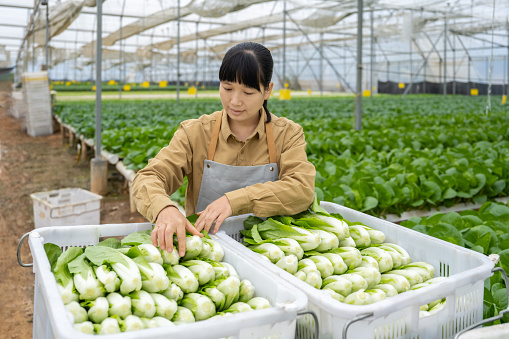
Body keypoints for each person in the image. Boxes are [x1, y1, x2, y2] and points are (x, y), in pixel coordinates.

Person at [131, 41, 316, 256]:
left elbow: (301, 188)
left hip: (270, 253)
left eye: (247, 92)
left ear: (267, 90)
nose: (235, 101)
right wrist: (164, 208)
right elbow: (148, 177)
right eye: (227, 88)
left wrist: (235, 200)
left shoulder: (287, 134)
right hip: (204, 252)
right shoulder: (195, 133)